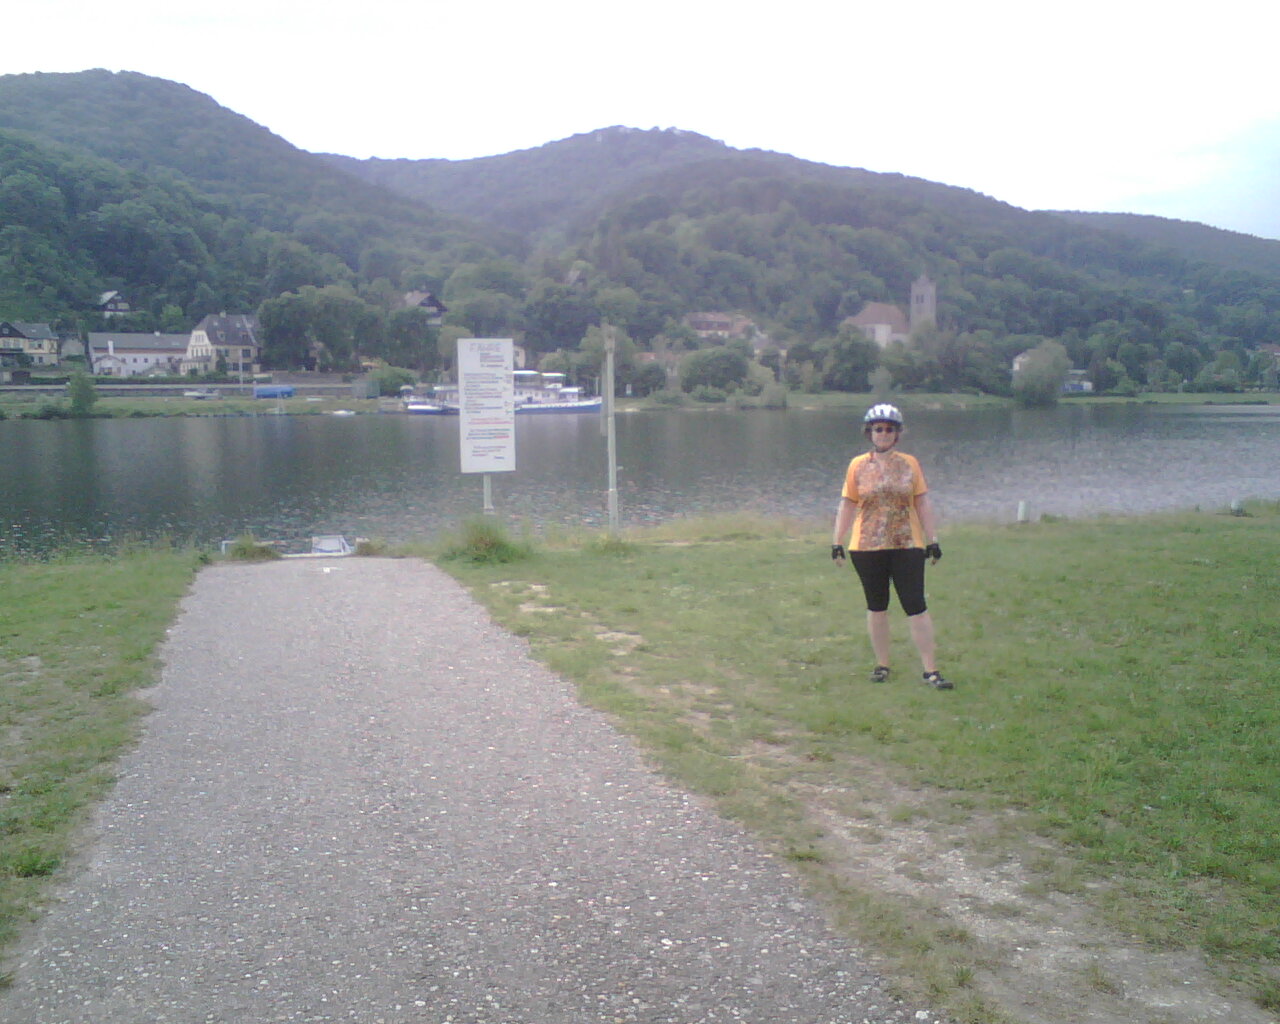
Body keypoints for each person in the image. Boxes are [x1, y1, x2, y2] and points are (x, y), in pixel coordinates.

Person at [830, 403, 951, 689]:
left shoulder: (910, 464)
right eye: (878, 429)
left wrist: (933, 539)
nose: (883, 434)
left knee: (915, 605)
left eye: (889, 429)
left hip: (907, 543)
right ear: (869, 433)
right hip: (866, 546)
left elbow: (922, 501)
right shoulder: (857, 465)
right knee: (877, 606)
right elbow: (848, 504)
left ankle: (931, 671)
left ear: (897, 434)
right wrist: (837, 541)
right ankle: (882, 665)